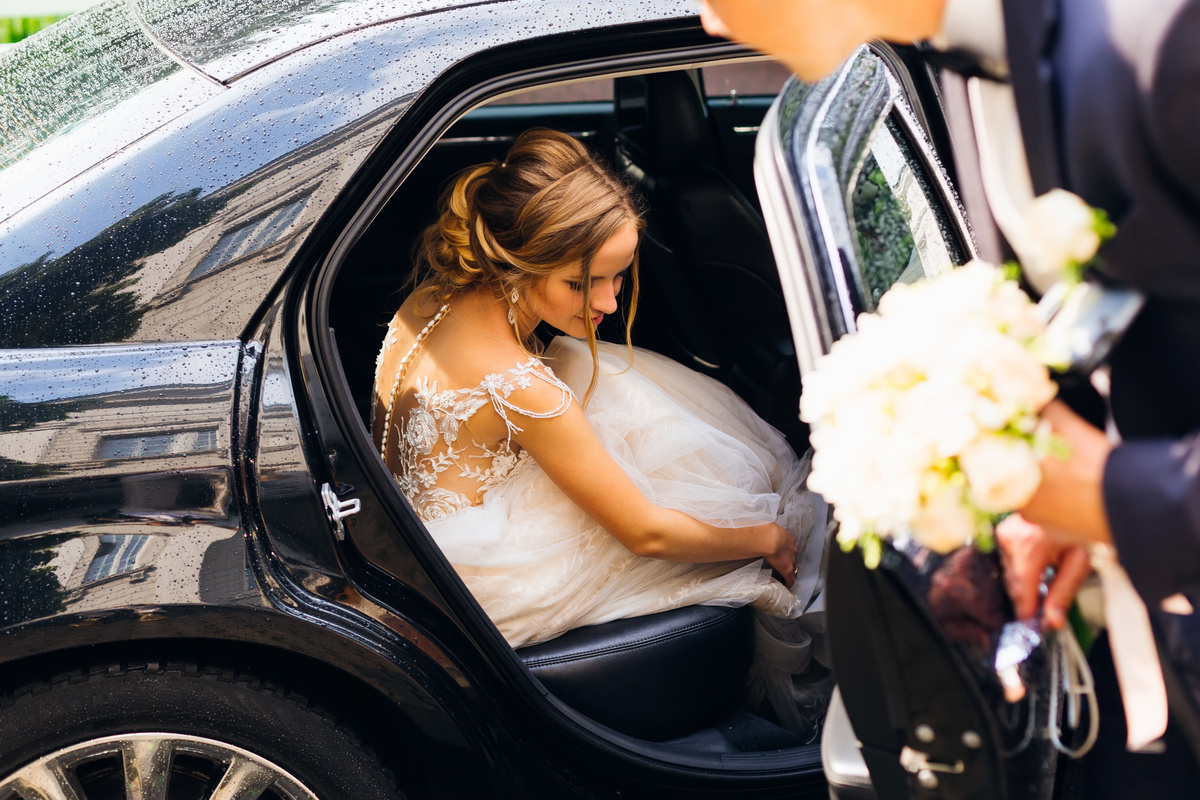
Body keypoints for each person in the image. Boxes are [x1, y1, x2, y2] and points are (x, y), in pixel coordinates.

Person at [699, 0, 1200, 791]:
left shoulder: (1166, 45)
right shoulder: (958, 70)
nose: (711, 22)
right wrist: (1061, 501)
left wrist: (1113, 495)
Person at [372, 128, 828, 731]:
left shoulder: (432, 299)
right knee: (679, 463)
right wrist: (765, 539)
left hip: (403, 533)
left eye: (617, 277)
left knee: (596, 372)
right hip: (479, 582)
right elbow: (647, 535)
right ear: (520, 259)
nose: (609, 303)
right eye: (581, 283)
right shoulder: (521, 386)